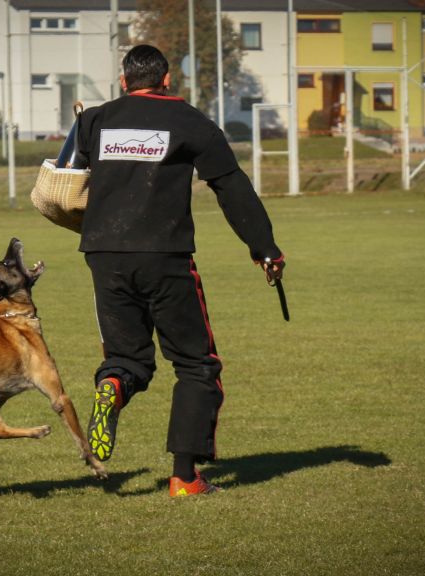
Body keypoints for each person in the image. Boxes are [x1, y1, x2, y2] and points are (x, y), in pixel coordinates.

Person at [75, 44, 285, 497]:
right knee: (195, 364)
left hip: (103, 255)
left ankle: (113, 382)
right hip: (165, 256)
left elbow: (63, 180)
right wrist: (264, 247)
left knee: (128, 358)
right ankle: (185, 478)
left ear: (123, 80)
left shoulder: (93, 120)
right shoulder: (189, 120)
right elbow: (230, 186)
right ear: (167, 80)